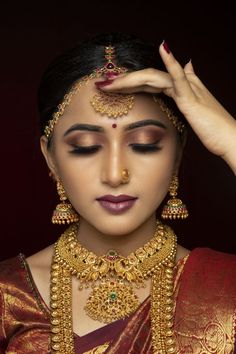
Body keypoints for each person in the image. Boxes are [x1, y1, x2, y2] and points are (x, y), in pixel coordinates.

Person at [0, 32, 235, 354]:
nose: (115, 175)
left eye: (144, 145)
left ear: (178, 154)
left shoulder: (226, 286)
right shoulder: (8, 293)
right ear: (50, 157)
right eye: (85, 148)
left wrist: (230, 138)